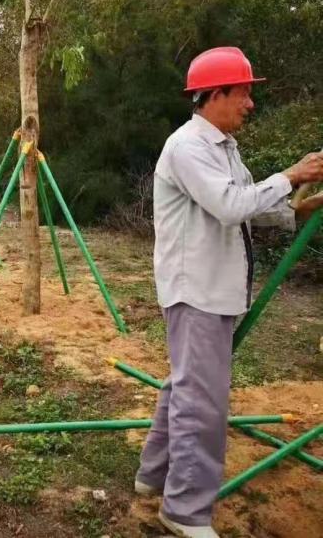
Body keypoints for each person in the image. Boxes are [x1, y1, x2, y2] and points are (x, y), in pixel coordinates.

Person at [135, 47, 323, 538]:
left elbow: (248, 204)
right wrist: (291, 175)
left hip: (213, 288)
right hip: (195, 290)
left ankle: (152, 478)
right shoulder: (188, 146)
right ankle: (185, 511)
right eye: (243, 92)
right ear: (215, 94)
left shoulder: (222, 146)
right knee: (203, 402)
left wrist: (299, 206)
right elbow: (229, 204)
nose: (249, 103)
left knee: (185, 385)